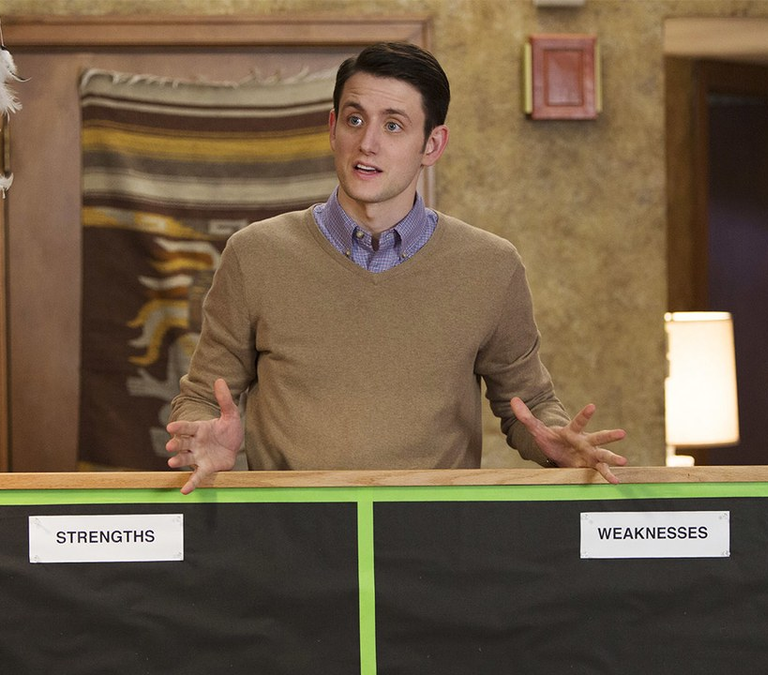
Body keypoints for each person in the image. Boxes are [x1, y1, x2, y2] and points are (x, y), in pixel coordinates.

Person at [165, 42, 627, 494]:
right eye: (355, 120)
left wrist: (553, 443)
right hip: (291, 530)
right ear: (332, 128)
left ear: (432, 144)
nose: (367, 143)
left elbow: (527, 404)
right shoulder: (254, 254)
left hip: (433, 532)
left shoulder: (492, 266)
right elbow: (203, 396)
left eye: (393, 126)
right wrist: (203, 433)